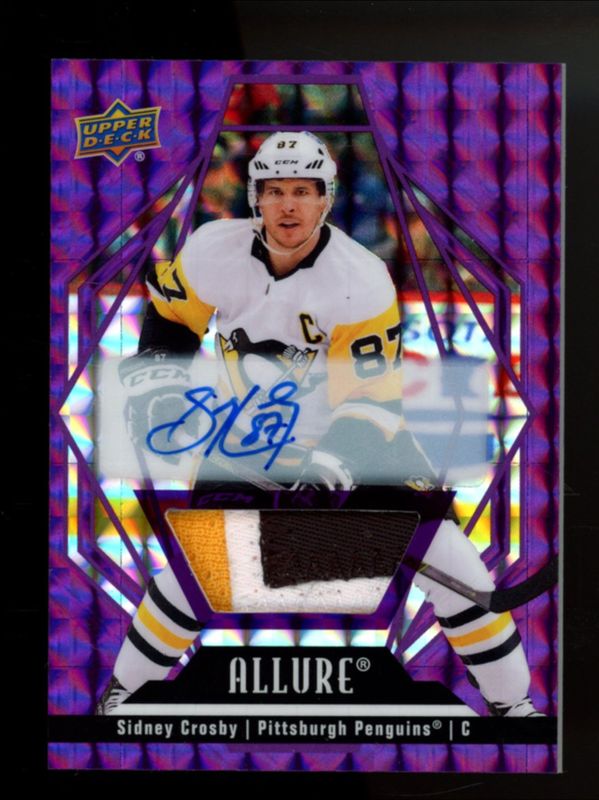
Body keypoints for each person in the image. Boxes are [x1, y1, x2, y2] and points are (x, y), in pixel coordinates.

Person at [97, 131, 542, 717]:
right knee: (195, 571)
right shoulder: (212, 249)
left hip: (359, 439)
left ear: (326, 198)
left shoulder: (362, 279)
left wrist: (329, 468)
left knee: (451, 560)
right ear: (256, 197)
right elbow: (172, 317)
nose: (289, 205)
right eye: (275, 191)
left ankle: (513, 708)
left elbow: (370, 402)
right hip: (245, 442)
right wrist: (159, 382)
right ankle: (123, 697)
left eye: (304, 191)